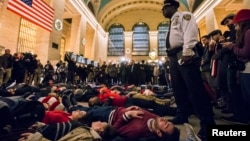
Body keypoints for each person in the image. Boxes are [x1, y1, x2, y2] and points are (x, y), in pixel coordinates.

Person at [161, 0, 215, 140]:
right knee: (178, 88)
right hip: (174, 57)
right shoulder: (172, 21)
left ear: (172, 7)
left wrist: (187, 51)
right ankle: (182, 114)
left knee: (194, 88)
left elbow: (189, 33)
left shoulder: (184, 16)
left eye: (165, 8)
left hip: (184, 54)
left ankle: (207, 122)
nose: (163, 11)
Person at [221, 9, 250, 124]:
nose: (235, 27)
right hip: (245, 69)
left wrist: (231, 46)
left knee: (247, 97)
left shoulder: (248, 32)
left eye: (236, 24)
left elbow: (245, 53)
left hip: (248, 70)